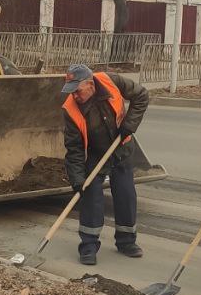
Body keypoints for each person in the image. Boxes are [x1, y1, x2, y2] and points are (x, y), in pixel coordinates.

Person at [61, 64, 150, 265]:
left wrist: (130, 125)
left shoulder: (112, 81)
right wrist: (77, 180)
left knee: (126, 195)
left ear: (90, 84)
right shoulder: (70, 110)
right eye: (71, 91)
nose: (74, 95)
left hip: (122, 147)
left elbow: (141, 96)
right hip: (96, 153)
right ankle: (88, 246)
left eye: (77, 90)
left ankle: (127, 241)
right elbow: (74, 149)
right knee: (91, 196)